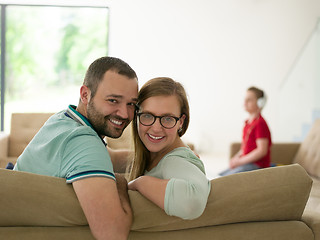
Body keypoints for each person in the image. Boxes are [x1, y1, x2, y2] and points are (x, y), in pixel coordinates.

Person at [14, 56, 138, 240]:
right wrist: (119, 182)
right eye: (113, 100)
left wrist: (158, 157)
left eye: (131, 104)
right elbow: (112, 234)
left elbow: (107, 157)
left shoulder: (64, 119)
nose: (125, 113)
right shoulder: (83, 142)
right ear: (85, 95)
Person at [127, 77, 211, 220]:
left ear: (181, 122)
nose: (156, 128)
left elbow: (192, 204)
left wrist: (139, 183)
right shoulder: (156, 154)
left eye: (167, 119)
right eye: (147, 116)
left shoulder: (174, 161)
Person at [219, 86, 272, 176]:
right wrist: (236, 158)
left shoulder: (260, 123)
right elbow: (245, 148)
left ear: (260, 103)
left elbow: (261, 150)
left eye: (249, 100)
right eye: (245, 99)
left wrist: (240, 161)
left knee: (224, 179)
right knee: (219, 175)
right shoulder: (248, 123)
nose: (245, 102)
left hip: (256, 165)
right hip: (246, 163)